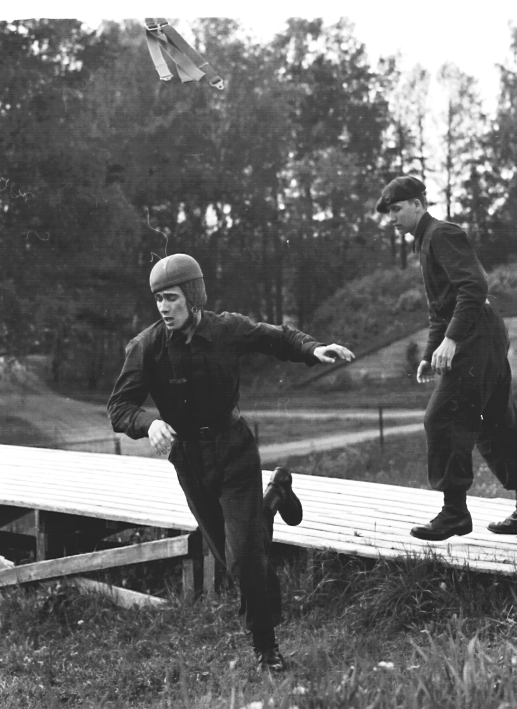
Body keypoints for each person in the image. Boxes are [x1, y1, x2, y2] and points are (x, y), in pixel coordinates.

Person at [107, 253, 354, 672]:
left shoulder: (226, 329)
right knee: (234, 558)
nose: (164, 307)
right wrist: (149, 424)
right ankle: (276, 496)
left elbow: (278, 338)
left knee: (243, 559)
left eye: (171, 297)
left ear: (193, 296)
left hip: (234, 451)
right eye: (158, 299)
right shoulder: (146, 346)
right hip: (190, 461)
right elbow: (119, 407)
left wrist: (314, 348)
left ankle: (266, 649)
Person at [376, 175, 517, 541]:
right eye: (388, 212)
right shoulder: (425, 241)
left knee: (442, 418)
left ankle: (454, 514)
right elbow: (441, 308)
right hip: (482, 335)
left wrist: (451, 340)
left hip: (475, 337)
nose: (391, 218)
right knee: (496, 421)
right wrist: (429, 353)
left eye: (397, 209)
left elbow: (474, 286)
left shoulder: (441, 234)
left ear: (418, 204)